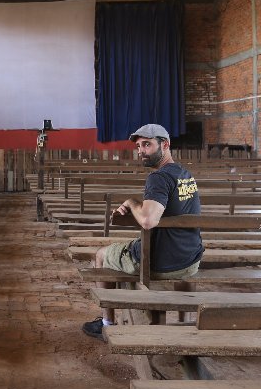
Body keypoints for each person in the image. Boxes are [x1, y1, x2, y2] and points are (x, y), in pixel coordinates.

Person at [82, 123, 204, 340]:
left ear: (165, 145)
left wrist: (131, 201)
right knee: (135, 244)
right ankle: (185, 322)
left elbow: (148, 221)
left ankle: (106, 324)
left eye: (147, 145)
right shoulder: (186, 174)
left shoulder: (158, 177)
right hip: (190, 260)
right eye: (139, 146)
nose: (141, 151)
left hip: (161, 263)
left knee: (101, 254)